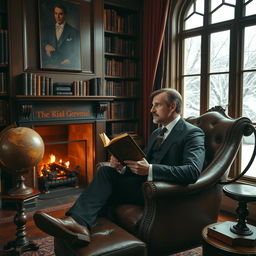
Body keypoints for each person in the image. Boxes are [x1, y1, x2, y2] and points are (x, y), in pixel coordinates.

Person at [33, 88, 205, 246]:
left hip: (160, 191)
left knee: (101, 188)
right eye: (152, 105)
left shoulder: (192, 133)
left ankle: (76, 223)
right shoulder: (156, 133)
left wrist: (150, 169)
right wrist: (122, 164)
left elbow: (192, 171)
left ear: (172, 106)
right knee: (107, 171)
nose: (151, 110)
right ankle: (78, 224)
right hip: (141, 185)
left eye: (157, 105)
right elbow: (141, 161)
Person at [41, 3, 80, 69]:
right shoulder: (48, 30)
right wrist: (45, 46)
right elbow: (43, 42)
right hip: (50, 65)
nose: (57, 16)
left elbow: (77, 50)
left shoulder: (74, 32)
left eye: (60, 14)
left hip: (67, 67)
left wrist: (70, 60)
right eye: (56, 13)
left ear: (65, 15)